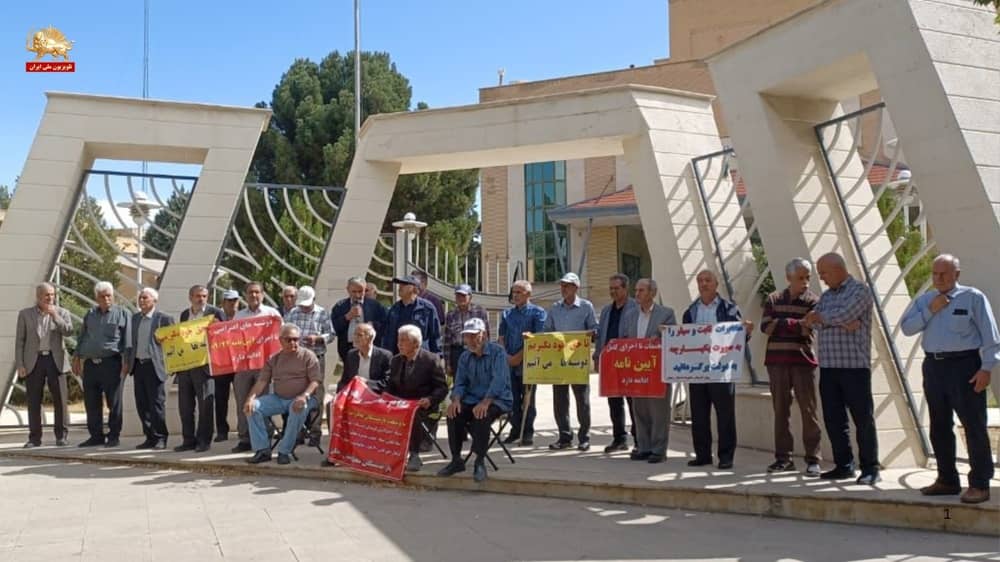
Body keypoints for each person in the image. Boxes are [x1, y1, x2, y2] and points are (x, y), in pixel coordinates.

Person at [900, 254, 997, 504]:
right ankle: (947, 480)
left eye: (944, 273)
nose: (938, 278)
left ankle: (980, 483)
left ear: (957, 274)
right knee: (939, 425)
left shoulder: (972, 297)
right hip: (934, 366)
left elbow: (990, 335)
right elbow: (907, 328)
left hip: (964, 366)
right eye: (934, 274)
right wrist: (930, 311)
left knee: (973, 425)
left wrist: (986, 369)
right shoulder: (925, 300)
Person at [802, 253, 879, 485]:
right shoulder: (825, 296)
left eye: (824, 273)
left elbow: (844, 315)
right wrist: (834, 321)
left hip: (854, 367)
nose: (822, 278)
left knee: (862, 419)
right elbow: (813, 321)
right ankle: (843, 465)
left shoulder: (860, 291)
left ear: (837, 269)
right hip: (829, 367)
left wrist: (825, 320)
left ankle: (870, 467)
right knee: (834, 420)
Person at [681, 270, 752, 469]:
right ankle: (703, 455)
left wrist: (746, 332)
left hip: (721, 370)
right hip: (697, 370)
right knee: (699, 414)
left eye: (708, 280)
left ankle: (726, 456)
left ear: (716, 284)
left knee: (725, 415)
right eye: (700, 281)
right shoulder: (691, 311)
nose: (704, 284)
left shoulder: (729, 309)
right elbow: (684, 338)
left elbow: (738, 338)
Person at [760, 258, 822, 477]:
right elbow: (766, 326)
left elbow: (811, 327)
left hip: (803, 362)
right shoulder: (773, 298)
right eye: (801, 278)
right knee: (780, 410)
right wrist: (797, 324)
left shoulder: (814, 301)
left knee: (809, 411)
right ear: (789, 278)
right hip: (777, 363)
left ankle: (813, 459)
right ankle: (783, 458)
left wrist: (783, 324)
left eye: (808, 278)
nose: (805, 282)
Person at [437, 318, 513, 482]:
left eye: (474, 336)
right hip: (472, 399)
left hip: (497, 399)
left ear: (483, 335)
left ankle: (479, 461)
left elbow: (498, 381)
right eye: (467, 336)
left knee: (481, 415)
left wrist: (486, 402)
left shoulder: (498, 352)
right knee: (453, 413)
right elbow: (460, 382)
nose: (470, 340)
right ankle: (456, 459)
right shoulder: (465, 356)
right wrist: (456, 399)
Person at [244, 324, 320, 465]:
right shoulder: (274, 359)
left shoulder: (308, 356)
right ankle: (262, 450)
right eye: (289, 339)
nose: (293, 343)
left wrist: (304, 396)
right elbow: (262, 381)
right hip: (279, 398)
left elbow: (315, 381)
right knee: (252, 407)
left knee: (297, 408)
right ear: (280, 341)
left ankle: (284, 451)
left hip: (305, 398)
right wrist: (250, 399)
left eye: (296, 339)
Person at [621, 279, 676, 463]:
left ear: (652, 293)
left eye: (641, 290)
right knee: (640, 410)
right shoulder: (630, 315)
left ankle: (659, 450)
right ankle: (643, 447)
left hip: (658, 370)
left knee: (658, 412)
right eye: (636, 290)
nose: (637, 294)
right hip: (637, 370)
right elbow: (624, 339)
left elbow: (673, 339)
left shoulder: (666, 314)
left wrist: (661, 336)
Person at [72, 281, 131, 448]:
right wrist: (77, 357)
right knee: (91, 402)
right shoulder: (90, 314)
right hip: (90, 365)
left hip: (111, 363)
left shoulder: (123, 314)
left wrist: (126, 362)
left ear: (113, 296)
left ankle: (114, 436)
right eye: (102, 296)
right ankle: (96, 436)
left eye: (109, 295)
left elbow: (128, 341)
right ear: (96, 298)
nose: (106, 299)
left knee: (114, 402)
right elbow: (82, 337)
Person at [382, 325, 448, 473]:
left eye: (404, 341)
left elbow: (442, 388)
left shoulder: (431, 360)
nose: (399, 344)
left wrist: (430, 399)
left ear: (416, 343)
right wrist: (385, 397)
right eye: (399, 340)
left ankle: (414, 455)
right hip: (400, 404)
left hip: (423, 405)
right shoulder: (396, 361)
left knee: (414, 413)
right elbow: (390, 385)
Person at [544, 272, 597, 451]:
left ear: (576, 288)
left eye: (567, 285)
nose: (563, 288)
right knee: (560, 401)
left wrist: (591, 333)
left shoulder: (586, 306)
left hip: (577, 361)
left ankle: (584, 437)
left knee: (582, 400)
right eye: (562, 285)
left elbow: (594, 328)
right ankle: (564, 437)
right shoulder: (554, 308)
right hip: (558, 361)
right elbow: (547, 331)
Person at [15, 282, 73, 448]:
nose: (50, 298)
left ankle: (61, 436)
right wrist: (20, 364)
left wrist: (55, 316)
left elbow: (68, 331)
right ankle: (34, 438)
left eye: (53, 295)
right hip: (34, 361)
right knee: (33, 400)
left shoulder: (62, 312)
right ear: (38, 296)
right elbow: (20, 342)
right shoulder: (25, 315)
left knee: (60, 400)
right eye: (47, 295)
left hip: (56, 360)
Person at [231, 282, 283, 453]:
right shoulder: (239, 316)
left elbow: (280, 338)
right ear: (245, 295)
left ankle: (264, 437)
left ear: (262, 294)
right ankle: (245, 438)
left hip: (264, 366)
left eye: (257, 292)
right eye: (250, 292)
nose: (253, 295)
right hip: (243, 366)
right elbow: (231, 339)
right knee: (242, 401)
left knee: (262, 402)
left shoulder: (272, 314)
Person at [175, 284, 225, 453]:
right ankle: (188, 440)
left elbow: (224, 337)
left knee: (205, 404)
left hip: (205, 366)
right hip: (186, 366)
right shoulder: (184, 314)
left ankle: (204, 440)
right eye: (197, 296)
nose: (201, 299)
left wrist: (217, 328)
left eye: (204, 296)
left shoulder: (215, 313)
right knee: (185, 406)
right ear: (190, 297)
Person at [125, 287, 175, 450]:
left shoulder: (164, 318)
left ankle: (161, 437)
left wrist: (170, 365)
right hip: (138, 366)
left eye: (145, 298)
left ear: (154, 300)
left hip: (155, 366)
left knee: (156, 404)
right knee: (142, 404)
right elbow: (131, 343)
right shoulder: (135, 319)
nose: (141, 301)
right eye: (140, 298)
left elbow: (173, 343)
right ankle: (150, 436)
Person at [284, 285, 333, 447]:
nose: (304, 308)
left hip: (316, 357)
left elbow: (331, 333)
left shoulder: (322, 313)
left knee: (316, 393)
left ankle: (315, 431)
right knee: (297, 392)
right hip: (297, 358)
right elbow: (284, 332)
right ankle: (298, 431)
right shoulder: (292, 313)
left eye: (307, 304)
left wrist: (318, 338)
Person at [499, 280, 546, 446]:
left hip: (529, 362)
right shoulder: (507, 314)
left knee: (528, 399)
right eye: (514, 292)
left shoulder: (538, 313)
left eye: (519, 292)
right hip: (509, 362)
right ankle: (515, 429)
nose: (515, 295)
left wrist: (519, 357)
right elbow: (501, 337)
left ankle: (527, 431)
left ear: (528, 294)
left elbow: (539, 338)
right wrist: (506, 356)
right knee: (512, 398)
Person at [594, 273, 637, 453]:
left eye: (616, 288)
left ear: (625, 289)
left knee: (633, 402)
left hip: (629, 361)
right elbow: (601, 334)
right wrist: (597, 356)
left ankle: (639, 439)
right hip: (610, 363)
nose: (613, 291)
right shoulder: (606, 310)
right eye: (610, 288)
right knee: (614, 402)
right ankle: (619, 438)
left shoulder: (635, 308)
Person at [330, 276, 387, 365]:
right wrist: (347, 317)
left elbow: (385, 325)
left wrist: (373, 325)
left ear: (365, 290)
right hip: (348, 347)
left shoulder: (375, 306)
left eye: (360, 291)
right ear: (348, 290)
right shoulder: (340, 306)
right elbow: (334, 328)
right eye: (354, 292)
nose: (357, 295)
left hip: (369, 347)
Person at [382, 275, 441, 355]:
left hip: (420, 357)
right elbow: (387, 335)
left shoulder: (427, 309)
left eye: (404, 284)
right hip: (398, 358)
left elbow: (435, 335)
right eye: (400, 284)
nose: (400, 287)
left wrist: (438, 356)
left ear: (414, 288)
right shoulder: (394, 309)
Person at [443, 284, 490, 377]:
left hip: (476, 351)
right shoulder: (450, 315)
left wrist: (486, 357)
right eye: (458, 296)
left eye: (463, 295)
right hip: (457, 353)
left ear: (470, 296)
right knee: (459, 383)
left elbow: (486, 336)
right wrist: (447, 363)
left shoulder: (480, 311)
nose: (460, 298)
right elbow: (447, 340)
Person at [214, 289, 240, 442]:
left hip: (240, 364)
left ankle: (244, 429)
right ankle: (222, 431)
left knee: (241, 397)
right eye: (229, 301)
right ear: (223, 302)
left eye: (235, 300)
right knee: (220, 398)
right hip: (222, 363)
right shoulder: (214, 318)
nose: (232, 303)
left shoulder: (244, 317)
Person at [337, 323, 392, 392]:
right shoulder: (351, 355)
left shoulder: (384, 356)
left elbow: (387, 382)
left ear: (370, 338)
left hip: (375, 396)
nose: (355, 337)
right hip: (355, 395)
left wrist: (366, 382)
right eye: (354, 334)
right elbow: (344, 380)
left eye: (359, 335)